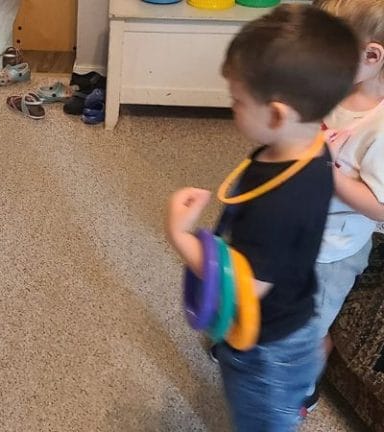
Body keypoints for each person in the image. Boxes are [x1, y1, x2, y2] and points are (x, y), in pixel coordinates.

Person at [165, 4, 360, 430]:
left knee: (264, 421)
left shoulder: (281, 205)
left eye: (236, 100)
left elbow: (246, 286)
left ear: (275, 115)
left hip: (268, 346)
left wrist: (180, 236)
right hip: (295, 317)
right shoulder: (311, 144)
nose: (230, 105)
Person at [302, 0, 384, 415]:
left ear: (372, 55)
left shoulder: (380, 129)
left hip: (334, 247)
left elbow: (379, 206)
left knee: (310, 322)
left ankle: (304, 383)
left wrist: (326, 172)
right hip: (296, 223)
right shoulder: (337, 87)